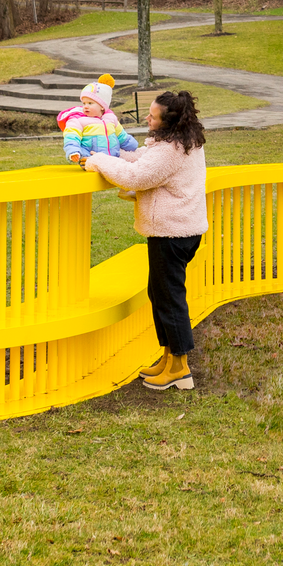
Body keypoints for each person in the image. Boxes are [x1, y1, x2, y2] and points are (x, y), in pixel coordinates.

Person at [86, 89, 208, 391]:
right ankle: (168, 359)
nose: (146, 118)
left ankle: (180, 368)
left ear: (167, 122)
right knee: (161, 295)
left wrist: (101, 160)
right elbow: (142, 159)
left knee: (170, 300)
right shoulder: (179, 141)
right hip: (179, 230)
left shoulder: (171, 149)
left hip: (172, 233)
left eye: (151, 116)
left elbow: (137, 177)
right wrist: (113, 154)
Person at [59, 72, 138, 165]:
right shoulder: (78, 120)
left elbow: (121, 134)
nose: (85, 106)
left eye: (90, 103)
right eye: (84, 103)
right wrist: (73, 151)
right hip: (90, 159)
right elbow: (71, 137)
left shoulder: (110, 118)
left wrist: (132, 145)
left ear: (102, 106)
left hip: (112, 160)